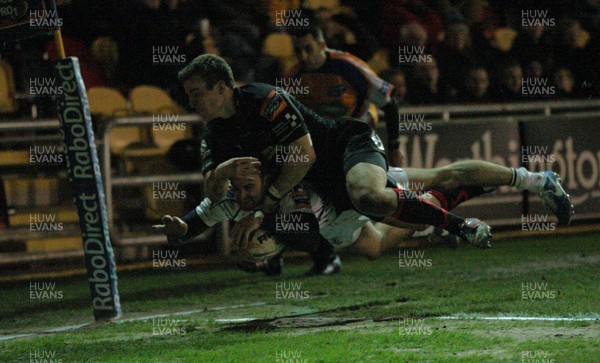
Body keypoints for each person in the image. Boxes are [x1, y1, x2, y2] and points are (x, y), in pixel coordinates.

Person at [176, 54, 571, 252]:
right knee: (373, 244)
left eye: (197, 93)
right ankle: (511, 186)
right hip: (320, 188)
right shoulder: (215, 133)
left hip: (345, 148)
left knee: (371, 197)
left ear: (222, 87)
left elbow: (305, 155)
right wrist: (224, 171)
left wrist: (269, 202)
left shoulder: (266, 99)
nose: (191, 102)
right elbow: (213, 189)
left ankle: (470, 217)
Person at [288, 24, 403, 166]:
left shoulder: (349, 67)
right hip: (325, 140)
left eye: (308, 49)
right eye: (297, 51)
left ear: (322, 45)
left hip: (359, 135)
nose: (303, 57)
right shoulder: (292, 77)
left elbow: (390, 104)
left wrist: (394, 148)